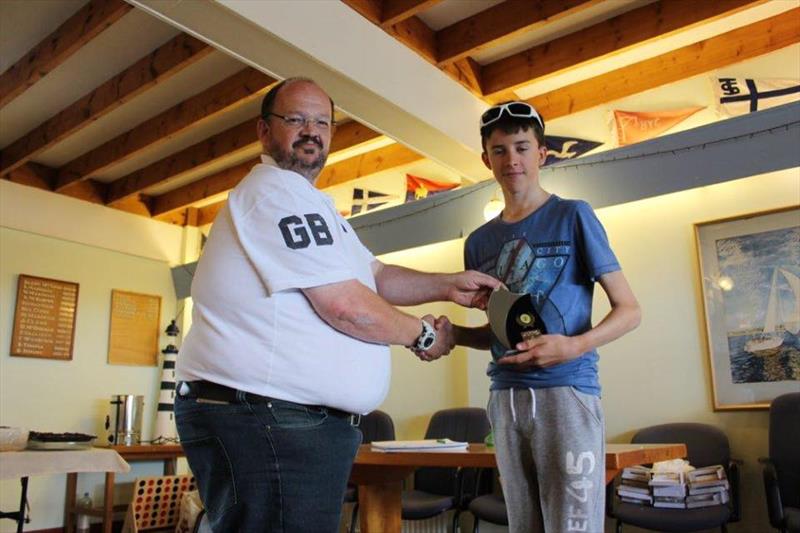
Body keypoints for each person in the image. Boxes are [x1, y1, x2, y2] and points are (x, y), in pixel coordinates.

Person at [173, 77, 500, 532]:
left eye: (322, 121)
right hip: (268, 420)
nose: (312, 130)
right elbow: (345, 305)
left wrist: (449, 285)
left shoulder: (312, 205)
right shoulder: (274, 192)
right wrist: (422, 334)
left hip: (281, 422)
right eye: (296, 119)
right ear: (264, 132)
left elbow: (376, 277)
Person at [432, 101, 641, 533]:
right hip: (505, 397)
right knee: (524, 525)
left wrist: (573, 346)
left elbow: (630, 310)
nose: (513, 160)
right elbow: (499, 331)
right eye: (501, 150)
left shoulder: (574, 215)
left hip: (567, 391)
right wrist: (456, 335)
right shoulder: (478, 242)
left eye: (522, 148)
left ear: (542, 154)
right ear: (486, 159)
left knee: (573, 526)